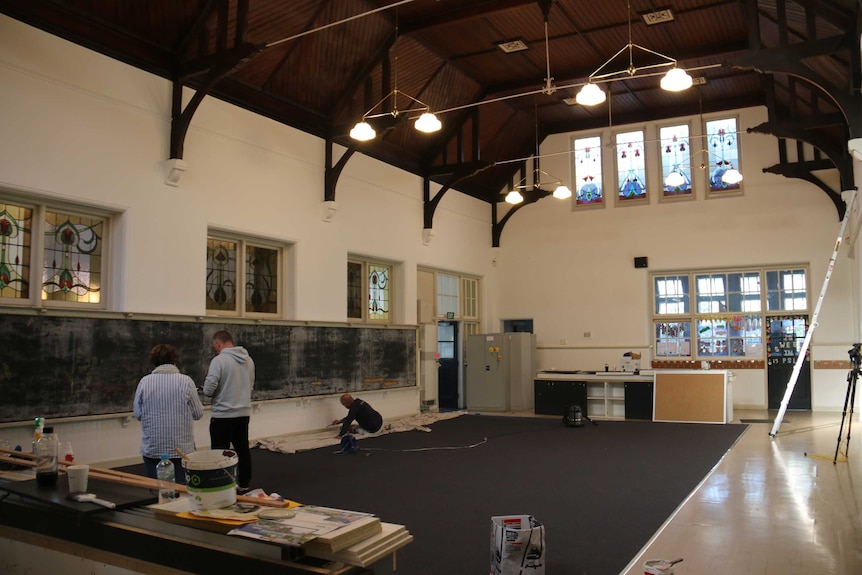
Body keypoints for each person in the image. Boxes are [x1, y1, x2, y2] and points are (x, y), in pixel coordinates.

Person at [133, 344, 204, 483]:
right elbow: (198, 414)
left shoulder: (144, 382)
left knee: (155, 493)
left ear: (154, 362)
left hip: (153, 449)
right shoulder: (186, 381)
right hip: (181, 450)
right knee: (182, 493)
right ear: (174, 360)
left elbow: (138, 414)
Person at [203, 330, 255, 493]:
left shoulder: (219, 361)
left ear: (218, 344)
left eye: (215, 346)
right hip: (243, 413)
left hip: (223, 415)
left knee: (220, 453)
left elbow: (209, 389)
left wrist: (206, 390)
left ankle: (222, 486)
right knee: (243, 451)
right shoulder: (249, 360)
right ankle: (244, 484)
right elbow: (251, 384)